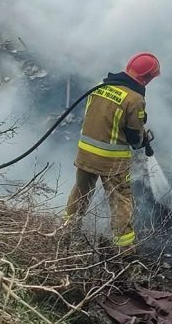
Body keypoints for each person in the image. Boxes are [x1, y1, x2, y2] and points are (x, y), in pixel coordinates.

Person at [65, 52, 161, 247]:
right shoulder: (134, 100)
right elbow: (134, 138)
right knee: (121, 200)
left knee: (81, 193)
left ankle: (66, 232)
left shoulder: (100, 88)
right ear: (146, 78)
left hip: (85, 154)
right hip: (112, 161)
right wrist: (143, 139)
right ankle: (124, 249)